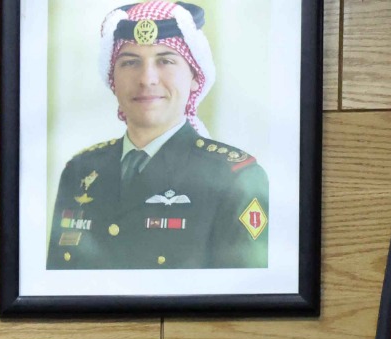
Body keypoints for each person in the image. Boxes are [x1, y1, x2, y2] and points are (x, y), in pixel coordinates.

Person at [46, 1, 269, 270]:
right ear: (112, 78)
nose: (147, 79)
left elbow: (245, 291)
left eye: (165, 61)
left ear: (195, 75)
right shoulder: (80, 171)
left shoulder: (234, 178)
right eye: (130, 62)